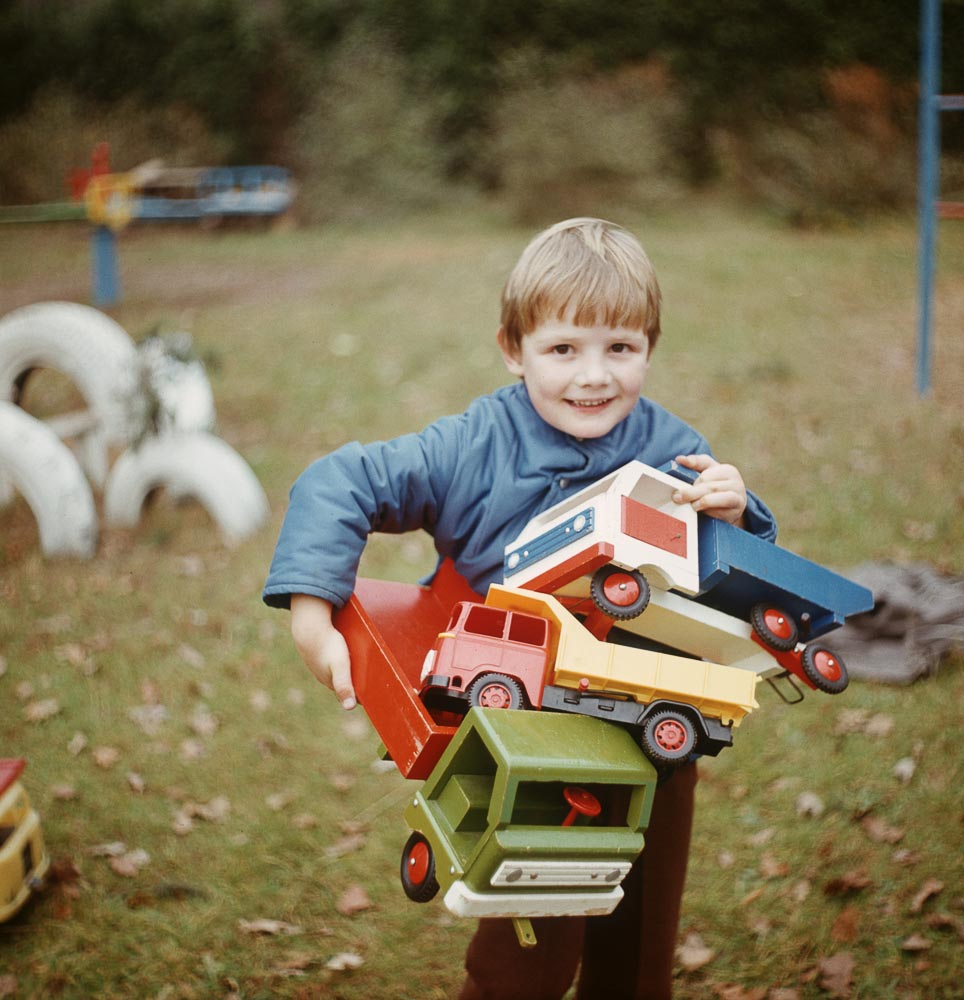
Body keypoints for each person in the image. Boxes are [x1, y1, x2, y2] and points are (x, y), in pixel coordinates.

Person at [263, 217, 777, 999]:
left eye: (621, 349)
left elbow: (740, 591)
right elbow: (342, 481)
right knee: (528, 942)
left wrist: (739, 517)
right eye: (564, 349)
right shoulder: (475, 445)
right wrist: (311, 609)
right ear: (514, 348)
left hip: (651, 716)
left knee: (640, 926)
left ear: (649, 346)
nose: (593, 376)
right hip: (530, 733)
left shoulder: (677, 449)